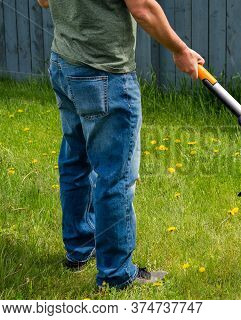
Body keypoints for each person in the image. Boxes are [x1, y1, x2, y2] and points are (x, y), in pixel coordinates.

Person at [37, 0, 205, 289]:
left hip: (64, 63)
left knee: (75, 161)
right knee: (115, 176)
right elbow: (143, 8)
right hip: (104, 73)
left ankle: (79, 251)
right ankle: (116, 274)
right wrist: (180, 51)